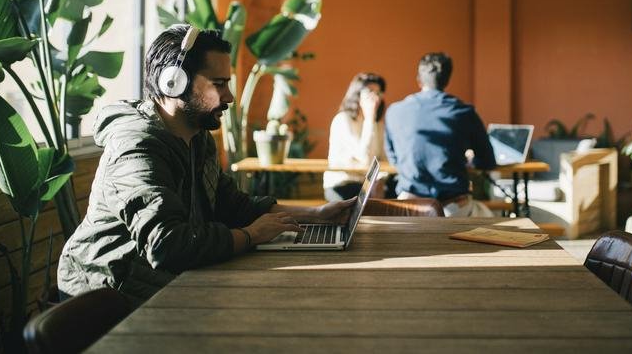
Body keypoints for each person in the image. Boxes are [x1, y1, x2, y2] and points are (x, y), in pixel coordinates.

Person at [57, 25, 354, 307]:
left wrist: (317, 215)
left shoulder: (197, 138)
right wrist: (250, 236)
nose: (229, 97)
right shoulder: (137, 146)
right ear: (174, 82)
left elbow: (231, 205)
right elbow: (167, 245)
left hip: (162, 285)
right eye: (219, 84)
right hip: (111, 297)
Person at [384, 52, 496, 217]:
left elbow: (394, 159)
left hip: (409, 206)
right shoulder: (465, 112)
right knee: (489, 217)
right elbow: (487, 161)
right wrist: (469, 160)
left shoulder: (394, 111)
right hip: (454, 206)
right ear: (447, 80)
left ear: (419, 80)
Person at [324, 72, 387, 201]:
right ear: (357, 94)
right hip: (343, 183)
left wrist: (381, 179)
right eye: (369, 92)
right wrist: (369, 117)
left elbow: (383, 158)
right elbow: (364, 157)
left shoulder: (378, 124)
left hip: (369, 183)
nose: (375, 97)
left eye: (378, 93)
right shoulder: (343, 120)